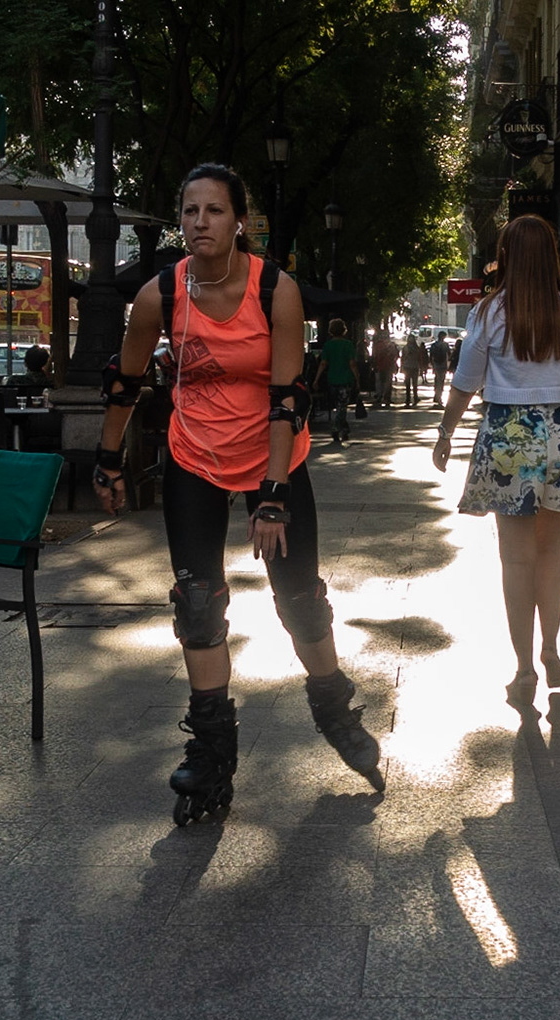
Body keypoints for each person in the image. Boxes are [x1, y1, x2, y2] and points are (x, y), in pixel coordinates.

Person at [93, 163, 383, 824]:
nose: (200, 222)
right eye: (190, 211)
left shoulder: (274, 289)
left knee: (299, 600)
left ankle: (334, 709)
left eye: (214, 211)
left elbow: (288, 400)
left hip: (272, 454)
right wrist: (107, 457)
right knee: (197, 602)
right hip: (195, 453)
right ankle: (210, 750)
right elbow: (125, 381)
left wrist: (274, 493)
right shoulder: (159, 295)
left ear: (239, 221)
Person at [432, 214, 560, 708]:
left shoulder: (489, 312)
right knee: (553, 551)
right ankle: (553, 649)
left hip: (508, 434)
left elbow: (466, 382)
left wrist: (446, 433)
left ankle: (524, 669)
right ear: (553, 256)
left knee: (516, 557)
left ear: (507, 257)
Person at [312, 318, 359, 445]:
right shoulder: (348, 345)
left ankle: (344, 429)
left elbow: (323, 363)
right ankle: (336, 428)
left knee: (339, 405)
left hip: (332, 379)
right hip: (346, 379)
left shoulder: (328, 346)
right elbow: (352, 364)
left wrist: (316, 379)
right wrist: (357, 379)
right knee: (342, 406)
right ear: (344, 330)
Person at [371, 331, 398, 407]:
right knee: (387, 383)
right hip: (388, 366)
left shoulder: (377, 345)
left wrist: (374, 364)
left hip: (379, 366)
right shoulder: (391, 345)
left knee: (379, 382)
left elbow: (374, 356)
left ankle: (380, 396)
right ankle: (386, 398)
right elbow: (395, 356)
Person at [428, 331, 451, 407]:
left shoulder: (434, 345)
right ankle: (439, 396)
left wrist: (432, 363)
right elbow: (449, 355)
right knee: (441, 381)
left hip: (436, 365)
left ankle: (436, 395)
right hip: (443, 365)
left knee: (437, 380)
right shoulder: (445, 345)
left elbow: (431, 355)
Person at [400, 333, 423, 406]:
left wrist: (401, 367)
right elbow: (420, 359)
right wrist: (421, 368)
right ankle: (415, 398)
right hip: (415, 367)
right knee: (414, 384)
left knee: (407, 384)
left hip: (407, 367)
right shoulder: (417, 348)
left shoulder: (405, 348)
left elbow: (402, 358)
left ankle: (408, 399)